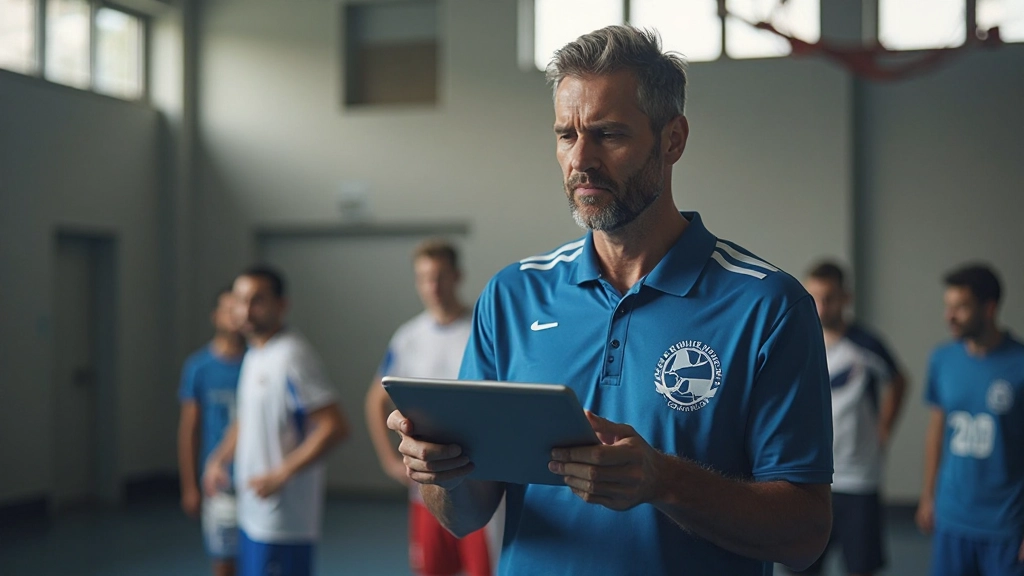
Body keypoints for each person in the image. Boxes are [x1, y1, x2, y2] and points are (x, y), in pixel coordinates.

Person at [386, 25, 833, 576]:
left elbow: (806, 534)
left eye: (608, 135)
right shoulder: (513, 296)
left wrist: (663, 481)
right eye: (566, 135)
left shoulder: (767, 305)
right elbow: (465, 514)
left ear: (673, 139)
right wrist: (441, 473)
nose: (581, 160)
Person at [365, 239, 502, 576]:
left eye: (440, 276)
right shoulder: (408, 338)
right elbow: (375, 398)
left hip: (478, 482)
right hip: (426, 487)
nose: (433, 286)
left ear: (457, 276)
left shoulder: (482, 330)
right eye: (425, 277)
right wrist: (387, 459)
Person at [204, 266, 350, 576]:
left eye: (257, 300)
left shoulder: (292, 357)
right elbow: (246, 417)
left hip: (284, 522)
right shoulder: (256, 352)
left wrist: (281, 475)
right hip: (252, 512)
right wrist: (219, 458)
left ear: (281, 305)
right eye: (240, 300)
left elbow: (334, 427)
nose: (246, 310)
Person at [799, 261, 908, 576]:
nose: (821, 306)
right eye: (814, 297)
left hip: (859, 478)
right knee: (803, 566)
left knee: (860, 567)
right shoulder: (800, 341)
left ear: (845, 298)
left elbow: (899, 380)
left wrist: (884, 428)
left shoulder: (866, 345)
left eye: (829, 297)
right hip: (809, 475)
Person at [916, 264, 1024, 576]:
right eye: (947, 306)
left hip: (1005, 524)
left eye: (960, 307)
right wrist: (928, 496)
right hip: (952, 518)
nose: (949, 316)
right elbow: (937, 431)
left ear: (989, 308)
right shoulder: (942, 359)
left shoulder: (1019, 365)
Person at [178, 287, 246, 576]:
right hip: (218, 483)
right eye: (227, 309)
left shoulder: (258, 361)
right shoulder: (199, 367)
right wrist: (190, 485)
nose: (234, 316)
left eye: (239, 308)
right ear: (215, 316)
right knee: (223, 561)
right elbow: (189, 429)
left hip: (255, 478)